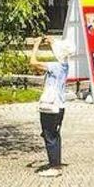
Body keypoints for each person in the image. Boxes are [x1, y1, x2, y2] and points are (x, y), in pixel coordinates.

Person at [30, 34, 71, 175]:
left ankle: (54, 168)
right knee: (54, 135)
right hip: (59, 106)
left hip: (51, 106)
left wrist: (35, 45)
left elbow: (33, 62)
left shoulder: (55, 66)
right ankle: (55, 163)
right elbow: (60, 50)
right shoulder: (64, 65)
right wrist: (51, 41)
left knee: (49, 136)